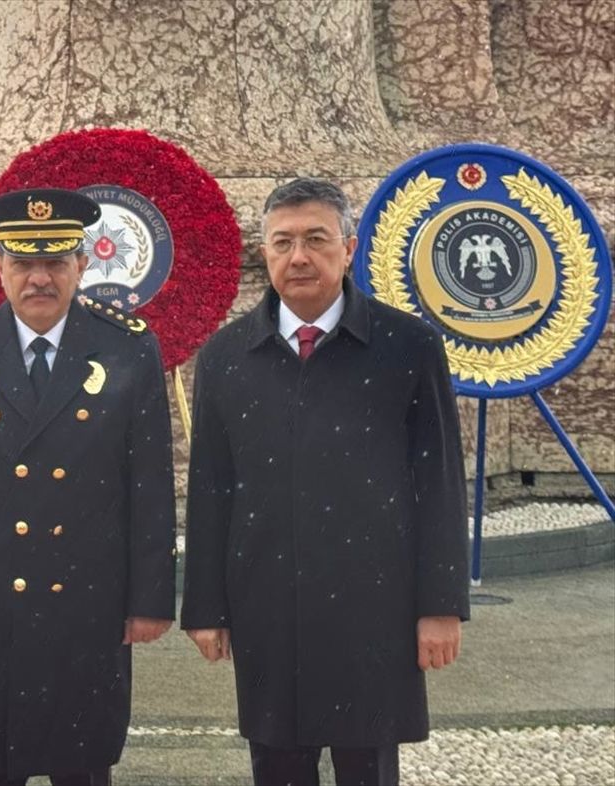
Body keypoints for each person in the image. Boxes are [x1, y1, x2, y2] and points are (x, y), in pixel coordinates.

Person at [181, 178, 469, 786]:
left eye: (316, 239)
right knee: (278, 765)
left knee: (367, 763)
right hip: (267, 604)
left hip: (374, 605)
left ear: (349, 246)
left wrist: (440, 607)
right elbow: (210, 488)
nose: (299, 257)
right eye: (282, 242)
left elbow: (440, 483)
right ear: (265, 253)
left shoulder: (407, 347)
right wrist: (205, 606)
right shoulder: (227, 357)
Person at [0, 188, 178, 786]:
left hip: (87, 605)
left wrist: (150, 598)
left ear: (82, 265)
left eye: (55, 262)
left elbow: (151, 488)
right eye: (23, 262)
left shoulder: (128, 351)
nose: (39, 278)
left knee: (82, 764)